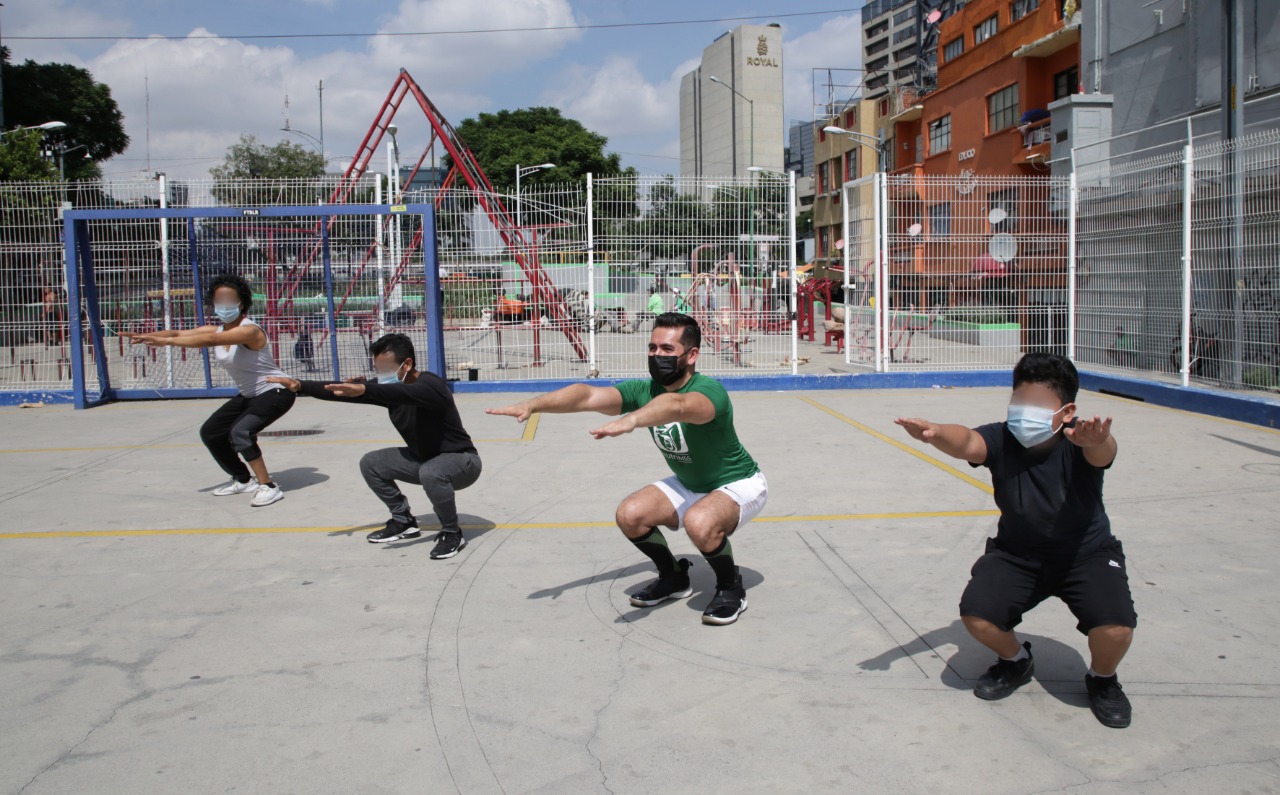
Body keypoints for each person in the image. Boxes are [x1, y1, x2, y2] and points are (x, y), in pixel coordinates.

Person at [895, 352, 1136, 728]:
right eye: (1019, 400)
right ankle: (1016, 661)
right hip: (1018, 555)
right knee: (977, 616)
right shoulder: (1003, 437)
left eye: (1038, 404)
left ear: (1067, 410)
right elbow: (969, 441)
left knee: (1117, 628)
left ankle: (1103, 679)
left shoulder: (1081, 441)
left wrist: (1098, 440)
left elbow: (1103, 453)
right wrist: (936, 433)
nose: (1025, 410)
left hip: (1085, 555)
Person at [486, 312, 767, 626]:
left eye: (667, 349)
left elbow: (678, 406)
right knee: (630, 514)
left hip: (739, 484)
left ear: (691, 356)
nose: (656, 355)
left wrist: (631, 419)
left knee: (698, 522)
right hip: (691, 483)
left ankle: (731, 587)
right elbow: (587, 395)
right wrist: (535, 404)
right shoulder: (644, 390)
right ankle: (673, 577)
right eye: (652, 347)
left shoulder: (708, 391)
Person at [268, 333, 481, 560]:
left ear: (407, 364)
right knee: (372, 463)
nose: (381, 376)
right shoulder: (387, 389)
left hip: (461, 462)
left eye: (386, 369)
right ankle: (403, 521)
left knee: (432, 471)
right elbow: (341, 391)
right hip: (424, 459)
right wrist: (300, 386)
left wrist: (365, 390)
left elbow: (407, 393)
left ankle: (451, 532)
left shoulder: (431, 385)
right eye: (377, 370)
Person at [122, 273, 294, 507]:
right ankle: (244, 480)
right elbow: (179, 334)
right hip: (250, 394)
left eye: (229, 299)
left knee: (240, 432)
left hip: (276, 391)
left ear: (241, 303)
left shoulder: (250, 330)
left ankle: (268, 486)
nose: (224, 305)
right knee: (211, 432)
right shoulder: (217, 330)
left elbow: (207, 342)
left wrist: (168, 343)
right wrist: (147, 337)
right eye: (219, 300)